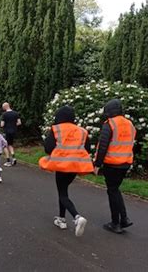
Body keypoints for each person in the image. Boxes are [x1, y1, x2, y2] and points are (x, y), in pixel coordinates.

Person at [39, 106, 93, 237]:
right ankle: (61, 219)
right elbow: (88, 148)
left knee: (62, 193)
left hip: (62, 165)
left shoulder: (57, 129)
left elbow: (48, 148)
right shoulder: (82, 131)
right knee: (63, 191)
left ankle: (77, 217)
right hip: (75, 166)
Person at [94, 99, 136, 234]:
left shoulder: (109, 124)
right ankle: (124, 219)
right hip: (125, 163)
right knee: (115, 190)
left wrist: (97, 164)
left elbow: (103, 146)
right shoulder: (130, 124)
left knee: (112, 191)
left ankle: (115, 223)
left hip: (112, 164)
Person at [0, 102, 21, 166]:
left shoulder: (4, 114)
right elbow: (19, 122)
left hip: (7, 131)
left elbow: (2, 124)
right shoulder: (16, 113)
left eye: (3, 107)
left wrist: (5, 125)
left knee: (5, 145)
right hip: (14, 131)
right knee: (10, 144)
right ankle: (13, 157)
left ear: (5, 107)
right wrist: (14, 125)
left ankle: (8, 161)